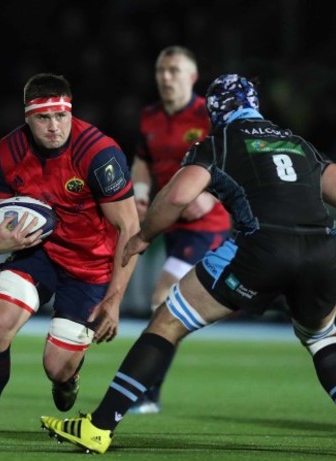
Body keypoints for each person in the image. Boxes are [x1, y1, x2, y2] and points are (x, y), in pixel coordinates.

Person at [41, 73, 336, 458]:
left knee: (167, 322)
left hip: (262, 249)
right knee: (323, 337)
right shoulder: (298, 143)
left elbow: (178, 197)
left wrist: (143, 237)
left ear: (214, 111)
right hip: (323, 251)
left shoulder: (218, 143)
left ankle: (99, 427)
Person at [0, 73, 140, 442]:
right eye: (44, 118)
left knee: (56, 369)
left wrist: (113, 300)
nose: (54, 127)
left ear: (70, 112)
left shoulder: (99, 153)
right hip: (37, 253)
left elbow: (129, 229)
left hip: (90, 265)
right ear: (27, 117)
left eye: (61, 116)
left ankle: (69, 377)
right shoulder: (6, 154)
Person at [129, 45, 230, 414]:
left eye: (174, 70)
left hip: (206, 225)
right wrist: (139, 192)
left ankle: (148, 392)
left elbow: (237, 158)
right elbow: (142, 160)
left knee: (162, 298)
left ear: (192, 76)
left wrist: (216, 197)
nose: (166, 77)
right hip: (169, 222)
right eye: (161, 70)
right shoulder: (149, 116)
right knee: (170, 303)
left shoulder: (210, 114)